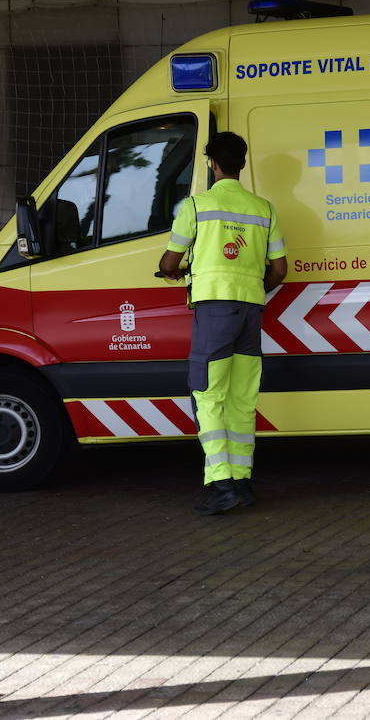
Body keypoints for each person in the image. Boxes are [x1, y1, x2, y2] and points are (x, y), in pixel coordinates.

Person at [157, 134, 287, 515]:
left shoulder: (196, 206)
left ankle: (221, 484)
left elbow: (168, 263)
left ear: (212, 165)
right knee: (242, 400)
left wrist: (178, 272)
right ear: (241, 165)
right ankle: (243, 482)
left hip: (214, 311)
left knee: (208, 395)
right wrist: (252, 288)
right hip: (250, 311)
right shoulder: (264, 209)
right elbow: (280, 269)